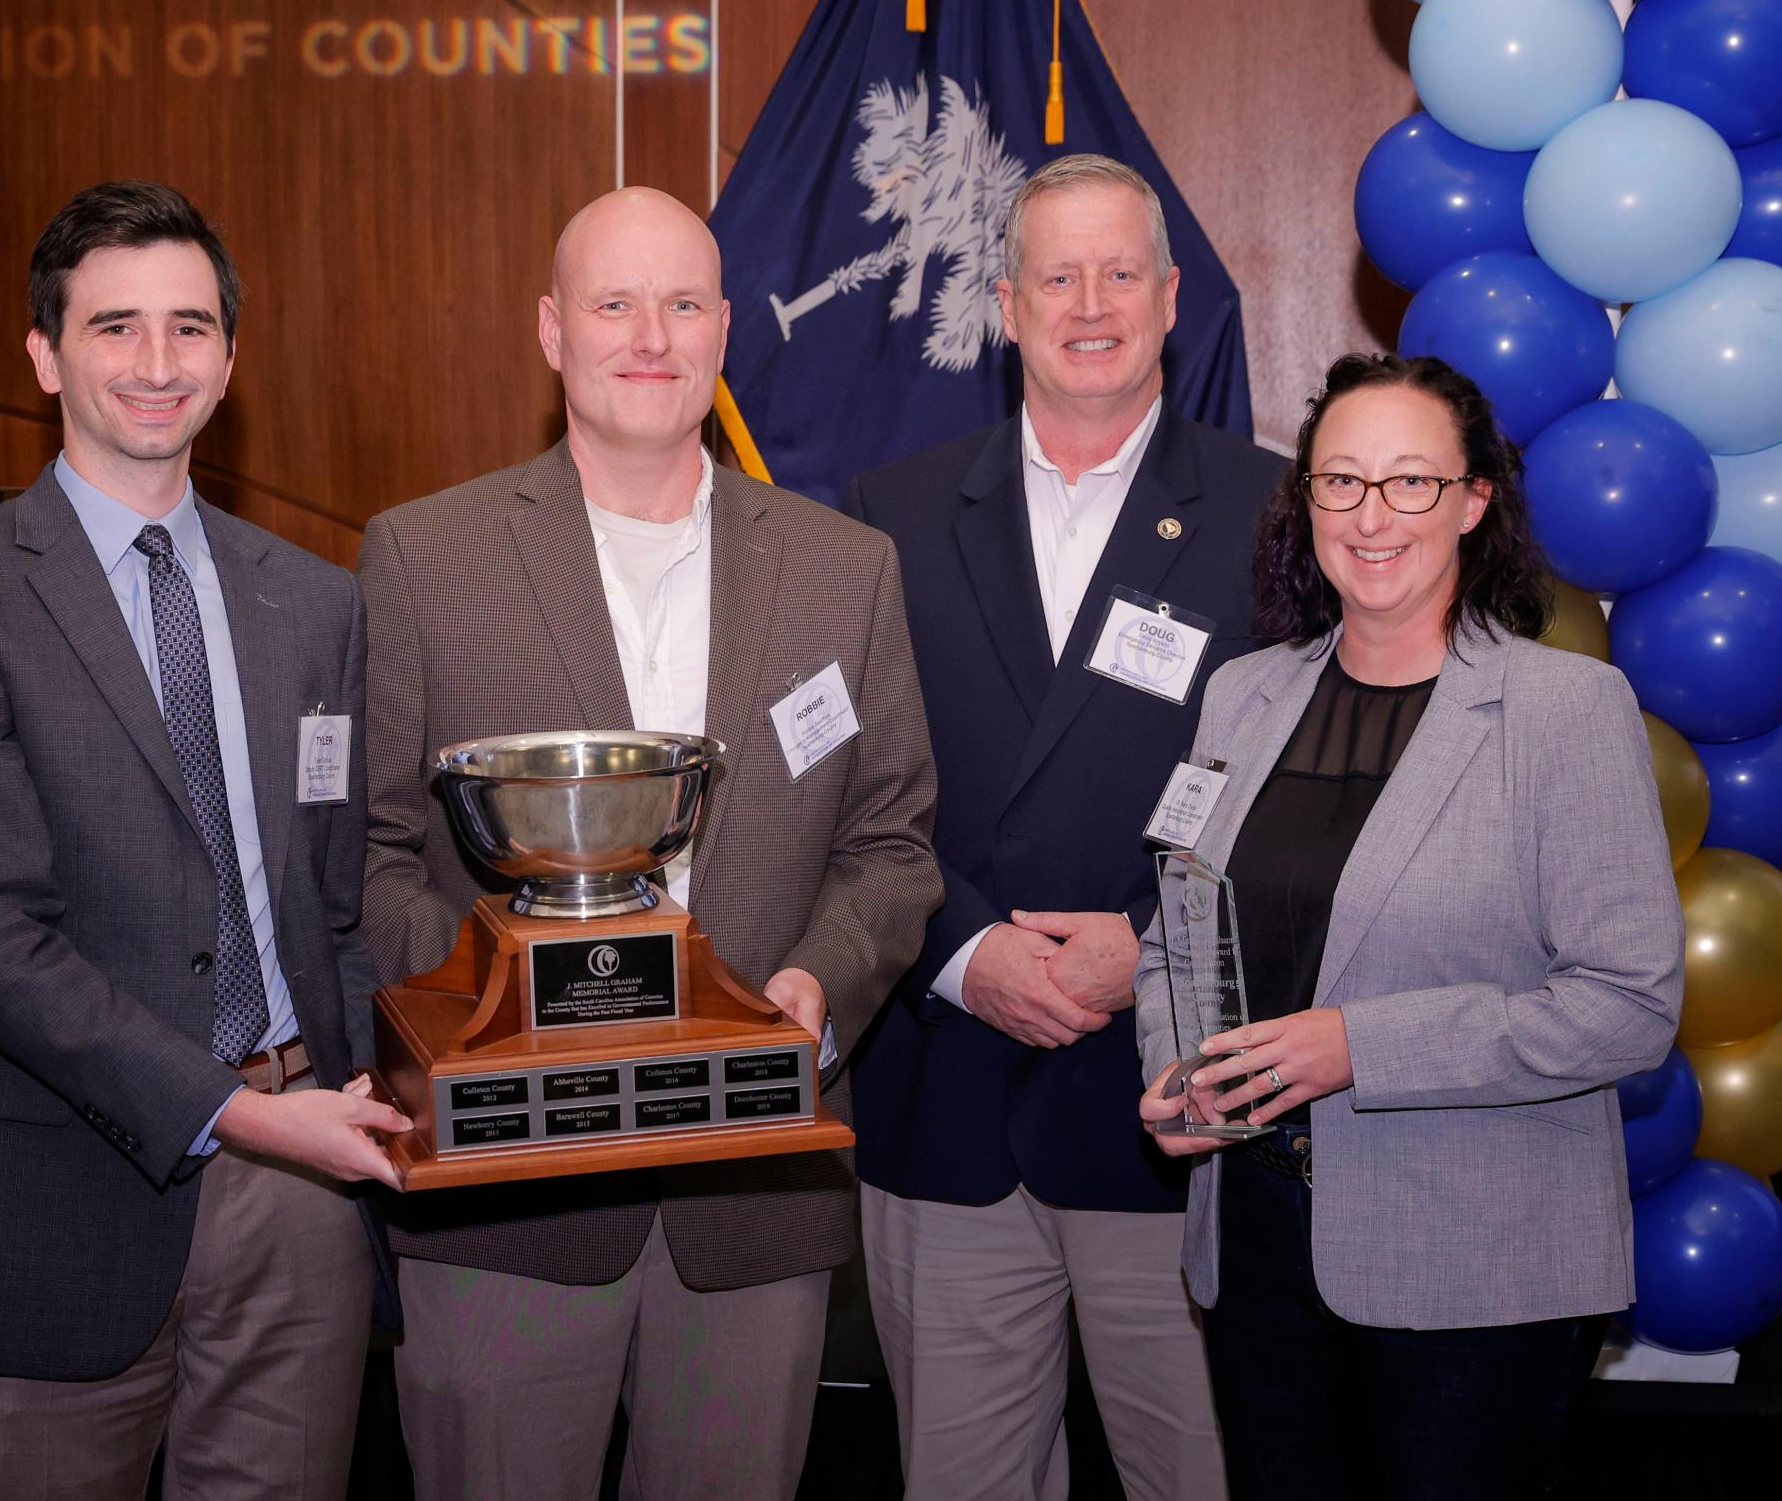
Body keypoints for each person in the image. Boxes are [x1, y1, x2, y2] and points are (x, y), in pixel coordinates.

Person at [358, 185, 941, 1500]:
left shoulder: (847, 569)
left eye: (683, 304)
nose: (651, 336)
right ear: (553, 330)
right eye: (615, 304)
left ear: (726, 327)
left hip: (750, 1201)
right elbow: (378, 860)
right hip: (505, 1202)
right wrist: (483, 1025)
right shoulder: (423, 555)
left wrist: (811, 992)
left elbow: (893, 843)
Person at [0, 180, 407, 1501]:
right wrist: (235, 1114)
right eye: (116, 327)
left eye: (190, 327)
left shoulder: (316, 602)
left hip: (303, 1190)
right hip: (58, 1193)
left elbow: (335, 906)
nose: (157, 365)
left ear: (232, 356)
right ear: (46, 354)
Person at [1136, 352, 1684, 1500]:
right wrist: (1174, 1070)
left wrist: (1356, 1045)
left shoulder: (1564, 711)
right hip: (1255, 1245)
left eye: (1408, 482)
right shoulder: (1244, 692)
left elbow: (1625, 1004)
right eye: (1339, 481)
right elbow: (1175, 932)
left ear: (1474, 499)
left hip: (1474, 1268)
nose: (1369, 514)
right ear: (1306, 505)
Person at [842, 153, 1279, 1501]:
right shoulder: (884, 518)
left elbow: (1315, 800)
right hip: (949, 1096)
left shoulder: (1281, 516)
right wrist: (969, 956)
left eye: (1120, 274)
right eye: (1057, 276)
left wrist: (1139, 954)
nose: (1090, 303)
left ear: (1170, 300)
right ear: (1005, 303)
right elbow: (851, 795)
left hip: (1177, 1102)